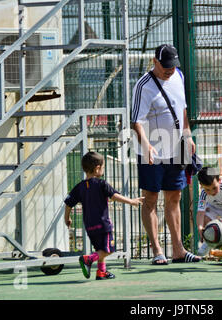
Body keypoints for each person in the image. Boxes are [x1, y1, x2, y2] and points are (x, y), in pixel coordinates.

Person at [131, 44, 201, 265]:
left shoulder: (178, 75)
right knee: (150, 199)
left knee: (175, 197)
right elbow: (136, 121)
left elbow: (182, 110)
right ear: (155, 62)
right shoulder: (143, 86)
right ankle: (157, 251)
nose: (169, 70)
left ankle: (179, 250)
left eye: (172, 66)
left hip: (176, 148)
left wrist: (188, 136)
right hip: (151, 151)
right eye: (165, 67)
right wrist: (146, 145)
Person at [64, 151, 144, 280]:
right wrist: (131, 201)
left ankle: (101, 272)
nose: (103, 170)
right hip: (103, 224)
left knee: (100, 248)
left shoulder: (79, 187)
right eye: (103, 167)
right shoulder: (101, 184)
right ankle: (88, 259)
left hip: (89, 225)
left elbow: (68, 203)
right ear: (97, 168)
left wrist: (66, 218)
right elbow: (114, 196)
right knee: (108, 250)